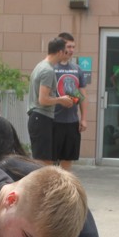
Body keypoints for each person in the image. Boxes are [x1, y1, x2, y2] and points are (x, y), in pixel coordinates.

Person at [28, 36, 77, 166]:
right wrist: (60, 100)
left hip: (39, 118)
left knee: (44, 159)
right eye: (66, 51)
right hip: (41, 117)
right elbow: (43, 99)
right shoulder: (48, 70)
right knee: (44, 161)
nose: (67, 55)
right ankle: (42, 186)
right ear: (60, 52)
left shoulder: (41, 66)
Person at [50, 31, 89, 170]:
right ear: (61, 46)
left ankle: (65, 188)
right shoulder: (51, 68)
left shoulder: (76, 69)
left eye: (73, 47)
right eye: (69, 46)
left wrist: (83, 118)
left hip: (71, 122)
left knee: (68, 159)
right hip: (53, 120)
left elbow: (82, 96)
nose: (71, 50)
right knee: (50, 159)